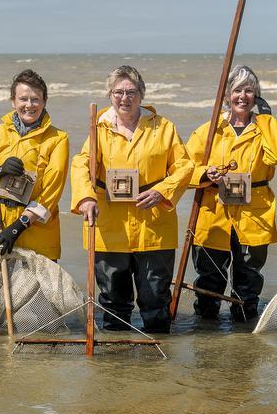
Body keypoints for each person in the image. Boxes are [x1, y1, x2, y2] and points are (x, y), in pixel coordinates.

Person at [70, 65, 194, 333]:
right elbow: (81, 163)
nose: (124, 98)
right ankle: (117, 363)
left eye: (131, 92)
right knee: (113, 300)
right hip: (109, 225)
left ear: (141, 94)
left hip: (154, 225)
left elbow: (185, 166)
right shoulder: (98, 127)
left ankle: (157, 361)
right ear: (109, 94)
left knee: (155, 297)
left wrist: (163, 190)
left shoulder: (163, 127)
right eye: (118, 92)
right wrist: (86, 198)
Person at [185, 66, 277, 323]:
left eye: (249, 90)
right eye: (237, 90)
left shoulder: (265, 128)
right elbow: (184, 167)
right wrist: (204, 173)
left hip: (254, 212)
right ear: (226, 95)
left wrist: (267, 118)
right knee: (209, 278)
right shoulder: (209, 129)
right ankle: (206, 333)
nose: (242, 96)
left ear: (257, 96)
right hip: (213, 213)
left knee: (248, 278)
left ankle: (244, 333)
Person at [0, 69, 69, 261]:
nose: (29, 105)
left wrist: (17, 227)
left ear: (45, 101)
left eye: (35, 99)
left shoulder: (58, 139)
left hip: (35, 235)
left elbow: (50, 194)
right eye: (23, 99)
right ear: (13, 101)